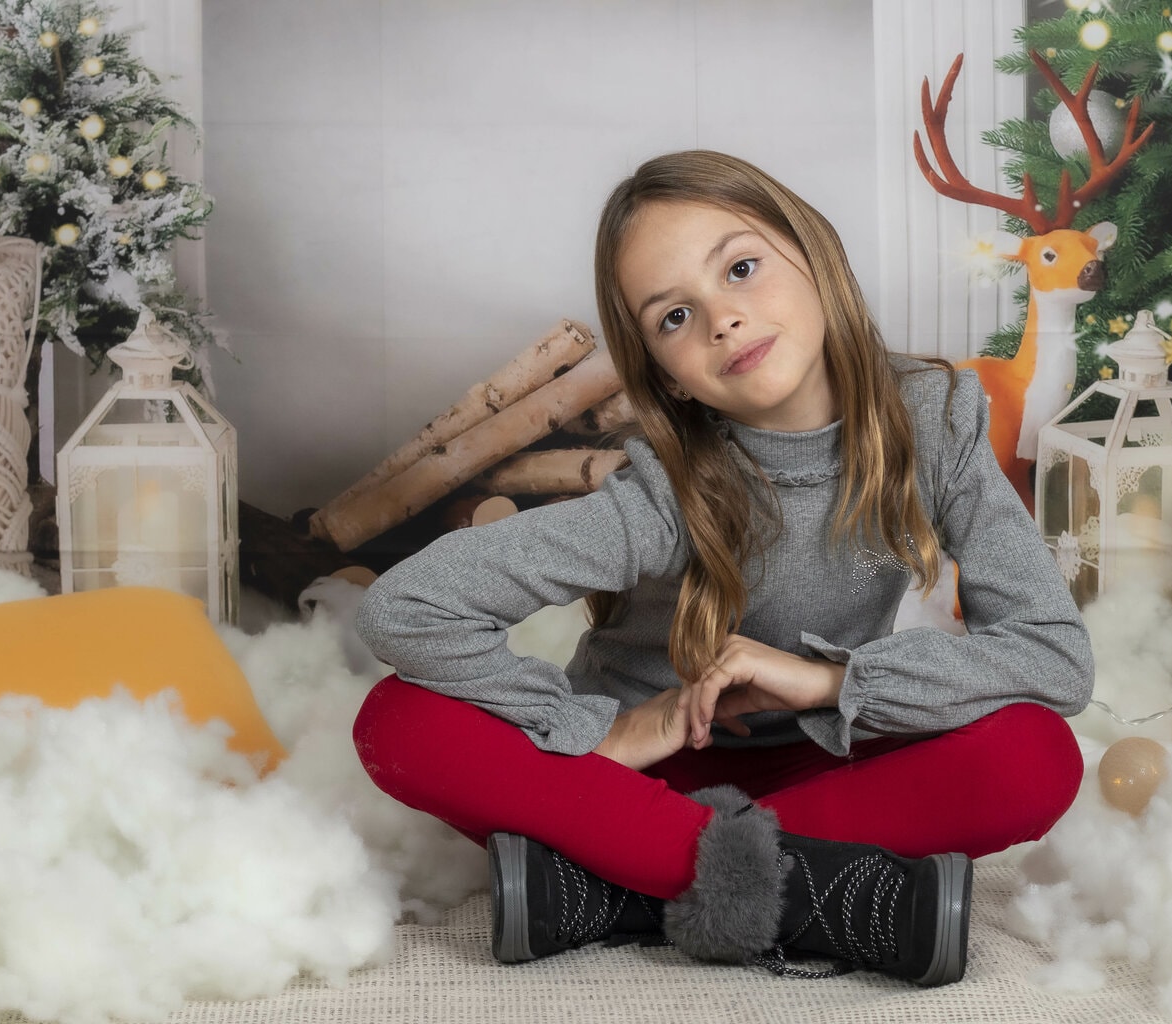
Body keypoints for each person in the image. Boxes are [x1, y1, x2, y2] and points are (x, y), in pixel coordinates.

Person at [352, 150, 1092, 988]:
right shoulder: (668, 491)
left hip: (823, 755)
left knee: (1036, 756)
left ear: (815, 256)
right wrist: (610, 734)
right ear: (667, 380)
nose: (722, 321)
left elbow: (1053, 657)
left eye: (742, 269)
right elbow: (404, 608)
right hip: (652, 774)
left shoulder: (938, 421)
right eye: (673, 318)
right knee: (398, 721)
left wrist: (822, 683)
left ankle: (608, 889)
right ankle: (816, 892)